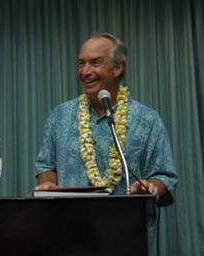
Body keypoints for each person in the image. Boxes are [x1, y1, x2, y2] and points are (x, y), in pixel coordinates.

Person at [35, 33, 178, 206]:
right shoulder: (59, 116)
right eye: (81, 63)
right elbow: (46, 167)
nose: (85, 72)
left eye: (95, 62)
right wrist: (47, 183)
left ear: (117, 68)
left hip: (127, 225)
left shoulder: (147, 119)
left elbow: (164, 176)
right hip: (69, 224)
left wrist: (152, 187)